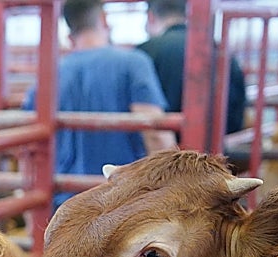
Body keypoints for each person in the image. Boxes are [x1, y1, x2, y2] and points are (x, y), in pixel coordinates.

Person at [24, 0, 177, 209]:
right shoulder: (134, 63)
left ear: (70, 35)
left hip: (65, 208)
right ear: (104, 19)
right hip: (123, 205)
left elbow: (30, 146)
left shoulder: (48, 75)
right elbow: (155, 134)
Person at [137, 0, 247, 139]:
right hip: (210, 154)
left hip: (159, 155)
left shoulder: (142, 53)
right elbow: (236, 116)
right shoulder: (221, 52)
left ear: (150, 17)